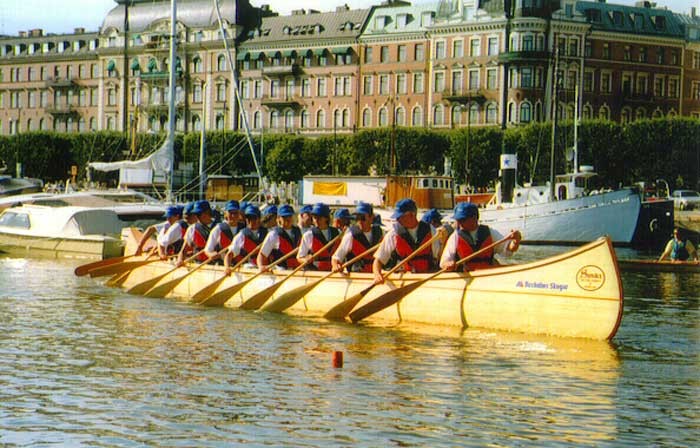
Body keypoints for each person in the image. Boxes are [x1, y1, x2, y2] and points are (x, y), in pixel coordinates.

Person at [373, 198, 442, 283]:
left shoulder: (431, 231)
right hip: (404, 279)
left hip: (427, 278)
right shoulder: (393, 233)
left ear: (412, 215)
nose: (397, 220)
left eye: (400, 217)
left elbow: (439, 256)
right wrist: (377, 275)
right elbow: (378, 261)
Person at [439, 202, 522, 271]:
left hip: (488, 275)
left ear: (474, 218)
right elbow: (443, 263)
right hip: (467, 276)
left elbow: (508, 250)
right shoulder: (455, 237)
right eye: (458, 220)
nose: (459, 223)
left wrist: (516, 241)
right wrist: (448, 264)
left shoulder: (489, 232)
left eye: (463, 220)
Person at [332, 202, 384, 273]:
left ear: (371, 218)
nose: (359, 221)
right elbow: (336, 258)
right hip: (356, 276)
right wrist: (335, 265)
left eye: (362, 218)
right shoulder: (351, 236)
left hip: (374, 275)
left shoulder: (378, 234)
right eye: (357, 218)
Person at [224, 205, 268, 274]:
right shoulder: (242, 235)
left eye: (253, 218)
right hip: (249, 268)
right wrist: (227, 267)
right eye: (248, 218)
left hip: (265, 268)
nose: (250, 221)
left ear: (259, 219)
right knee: (249, 266)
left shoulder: (267, 233)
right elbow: (229, 255)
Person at [257, 204, 302, 271]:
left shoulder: (297, 231)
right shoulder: (273, 234)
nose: (287, 219)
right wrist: (261, 266)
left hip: (296, 269)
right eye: (284, 217)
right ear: (278, 218)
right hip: (280, 269)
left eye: (289, 216)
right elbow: (262, 255)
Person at [297, 202, 340, 271]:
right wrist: (305, 260)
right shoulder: (308, 235)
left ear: (326, 218)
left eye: (319, 218)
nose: (316, 220)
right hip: (315, 271)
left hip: (332, 270)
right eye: (314, 217)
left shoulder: (337, 233)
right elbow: (299, 257)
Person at [177, 200, 214, 265]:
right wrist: (180, 260)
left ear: (208, 213)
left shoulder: (219, 227)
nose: (197, 217)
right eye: (195, 214)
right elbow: (183, 251)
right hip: (198, 264)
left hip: (217, 265)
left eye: (199, 214)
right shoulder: (192, 229)